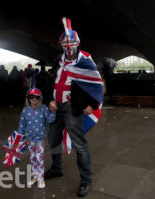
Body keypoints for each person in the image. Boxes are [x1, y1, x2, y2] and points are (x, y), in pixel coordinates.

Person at [46, 17, 104, 197]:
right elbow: (51, 81)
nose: (69, 51)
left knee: (79, 144)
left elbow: (96, 83)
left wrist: (91, 104)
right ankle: (56, 168)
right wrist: (50, 99)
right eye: (66, 46)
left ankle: (86, 180)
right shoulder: (58, 60)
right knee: (53, 139)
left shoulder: (85, 61)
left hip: (73, 107)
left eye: (72, 46)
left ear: (77, 44)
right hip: (56, 108)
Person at [17, 88, 56, 188]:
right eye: (31, 96)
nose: (34, 99)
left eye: (37, 97)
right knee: (33, 158)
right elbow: (22, 125)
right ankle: (35, 176)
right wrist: (19, 138)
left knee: (39, 158)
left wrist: (53, 111)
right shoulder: (25, 110)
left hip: (40, 139)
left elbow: (50, 120)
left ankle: (41, 178)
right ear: (28, 98)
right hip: (30, 139)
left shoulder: (43, 108)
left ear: (40, 98)